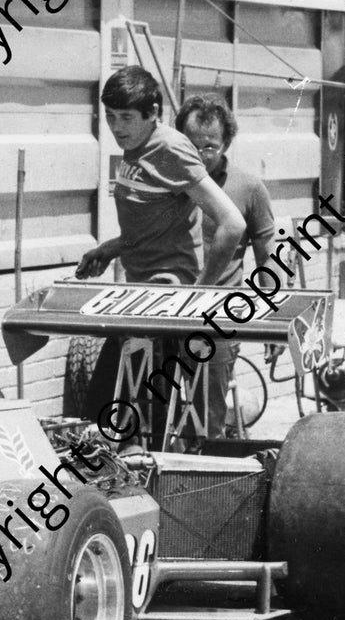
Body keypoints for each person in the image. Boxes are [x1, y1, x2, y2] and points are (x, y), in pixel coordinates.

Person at [74, 67, 245, 442]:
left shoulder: (169, 148)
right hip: (141, 291)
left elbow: (232, 223)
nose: (117, 128)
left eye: (127, 118)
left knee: (112, 412)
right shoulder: (135, 150)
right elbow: (154, 223)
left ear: (153, 113)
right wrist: (110, 248)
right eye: (111, 117)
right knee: (128, 419)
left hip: (166, 296)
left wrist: (201, 291)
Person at [173, 94, 276, 437]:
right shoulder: (167, 183)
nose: (200, 155)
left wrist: (273, 322)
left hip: (218, 318)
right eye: (191, 145)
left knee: (207, 416)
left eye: (210, 147)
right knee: (151, 408)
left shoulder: (248, 187)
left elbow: (267, 262)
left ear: (226, 144)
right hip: (166, 309)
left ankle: (206, 471)